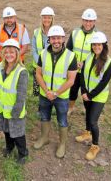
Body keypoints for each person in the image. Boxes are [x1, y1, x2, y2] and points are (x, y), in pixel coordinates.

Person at [34, 25, 77, 158]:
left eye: (58, 38)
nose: (56, 41)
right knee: (44, 116)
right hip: (45, 94)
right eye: (53, 38)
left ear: (63, 39)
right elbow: (38, 74)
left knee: (62, 120)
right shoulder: (43, 53)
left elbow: (71, 80)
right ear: (49, 39)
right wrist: (47, 91)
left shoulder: (70, 56)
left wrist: (56, 93)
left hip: (61, 96)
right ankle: (44, 138)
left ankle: (62, 144)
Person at [75, 32, 111, 161]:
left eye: (99, 44)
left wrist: (90, 95)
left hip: (98, 96)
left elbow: (103, 83)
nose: (96, 47)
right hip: (87, 94)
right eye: (94, 44)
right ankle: (87, 133)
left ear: (104, 45)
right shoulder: (89, 56)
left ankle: (95, 145)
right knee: (87, 113)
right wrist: (84, 91)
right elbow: (83, 75)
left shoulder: (109, 63)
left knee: (93, 120)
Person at [0, 39, 29, 164]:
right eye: (6, 52)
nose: (9, 55)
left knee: (18, 133)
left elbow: (21, 94)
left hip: (15, 109)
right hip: (3, 107)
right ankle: (9, 147)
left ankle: (23, 153)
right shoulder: (0, 67)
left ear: (17, 54)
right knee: (6, 130)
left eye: (12, 52)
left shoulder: (22, 71)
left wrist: (16, 111)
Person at [66, 8, 99, 116]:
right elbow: (69, 49)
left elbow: (98, 54)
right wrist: (75, 62)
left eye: (90, 21)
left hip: (88, 70)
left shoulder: (97, 36)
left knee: (87, 91)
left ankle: (86, 108)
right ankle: (71, 107)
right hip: (74, 69)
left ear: (94, 21)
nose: (88, 23)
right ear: (82, 20)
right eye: (86, 20)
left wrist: (85, 63)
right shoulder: (75, 33)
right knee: (73, 90)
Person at [31, 6, 55, 96]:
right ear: (42, 18)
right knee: (38, 87)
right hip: (38, 65)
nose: (47, 20)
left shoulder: (55, 32)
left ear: (52, 18)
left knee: (49, 87)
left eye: (49, 17)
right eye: (45, 17)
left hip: (51, 65)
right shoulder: (36, 32)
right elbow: (33, 49)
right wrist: (39, 63)